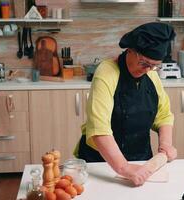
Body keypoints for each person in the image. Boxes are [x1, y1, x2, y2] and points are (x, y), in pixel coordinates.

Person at [74, 22, 177, 186]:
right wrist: (124, 167)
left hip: (141, 163)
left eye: (154, 66)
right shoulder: (106, 73)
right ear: (130, 50)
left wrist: (165, 145)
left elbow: (164, 115)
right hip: (102, 164)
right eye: (144, 63)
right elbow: (100, 129)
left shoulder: (151, 76)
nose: (147, 70)